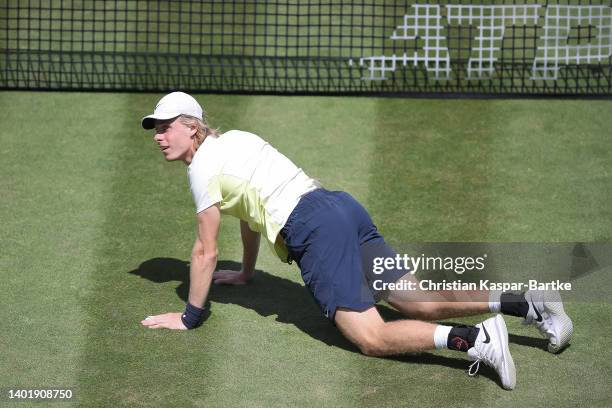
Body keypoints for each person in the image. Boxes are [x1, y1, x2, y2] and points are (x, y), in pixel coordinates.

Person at [139, 92, 573, 390]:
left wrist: (190, 317)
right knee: (417, 301)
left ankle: (474, 340)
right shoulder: (236, 140)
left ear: (192, 127)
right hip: (341, 209)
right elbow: (249, 211)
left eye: (165, 127)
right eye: (154, 129)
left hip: (315, 232)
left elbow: (204, 250)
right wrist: (249, 271)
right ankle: (527, 302)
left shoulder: (200, 171)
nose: (158, 136)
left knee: (371, 337)